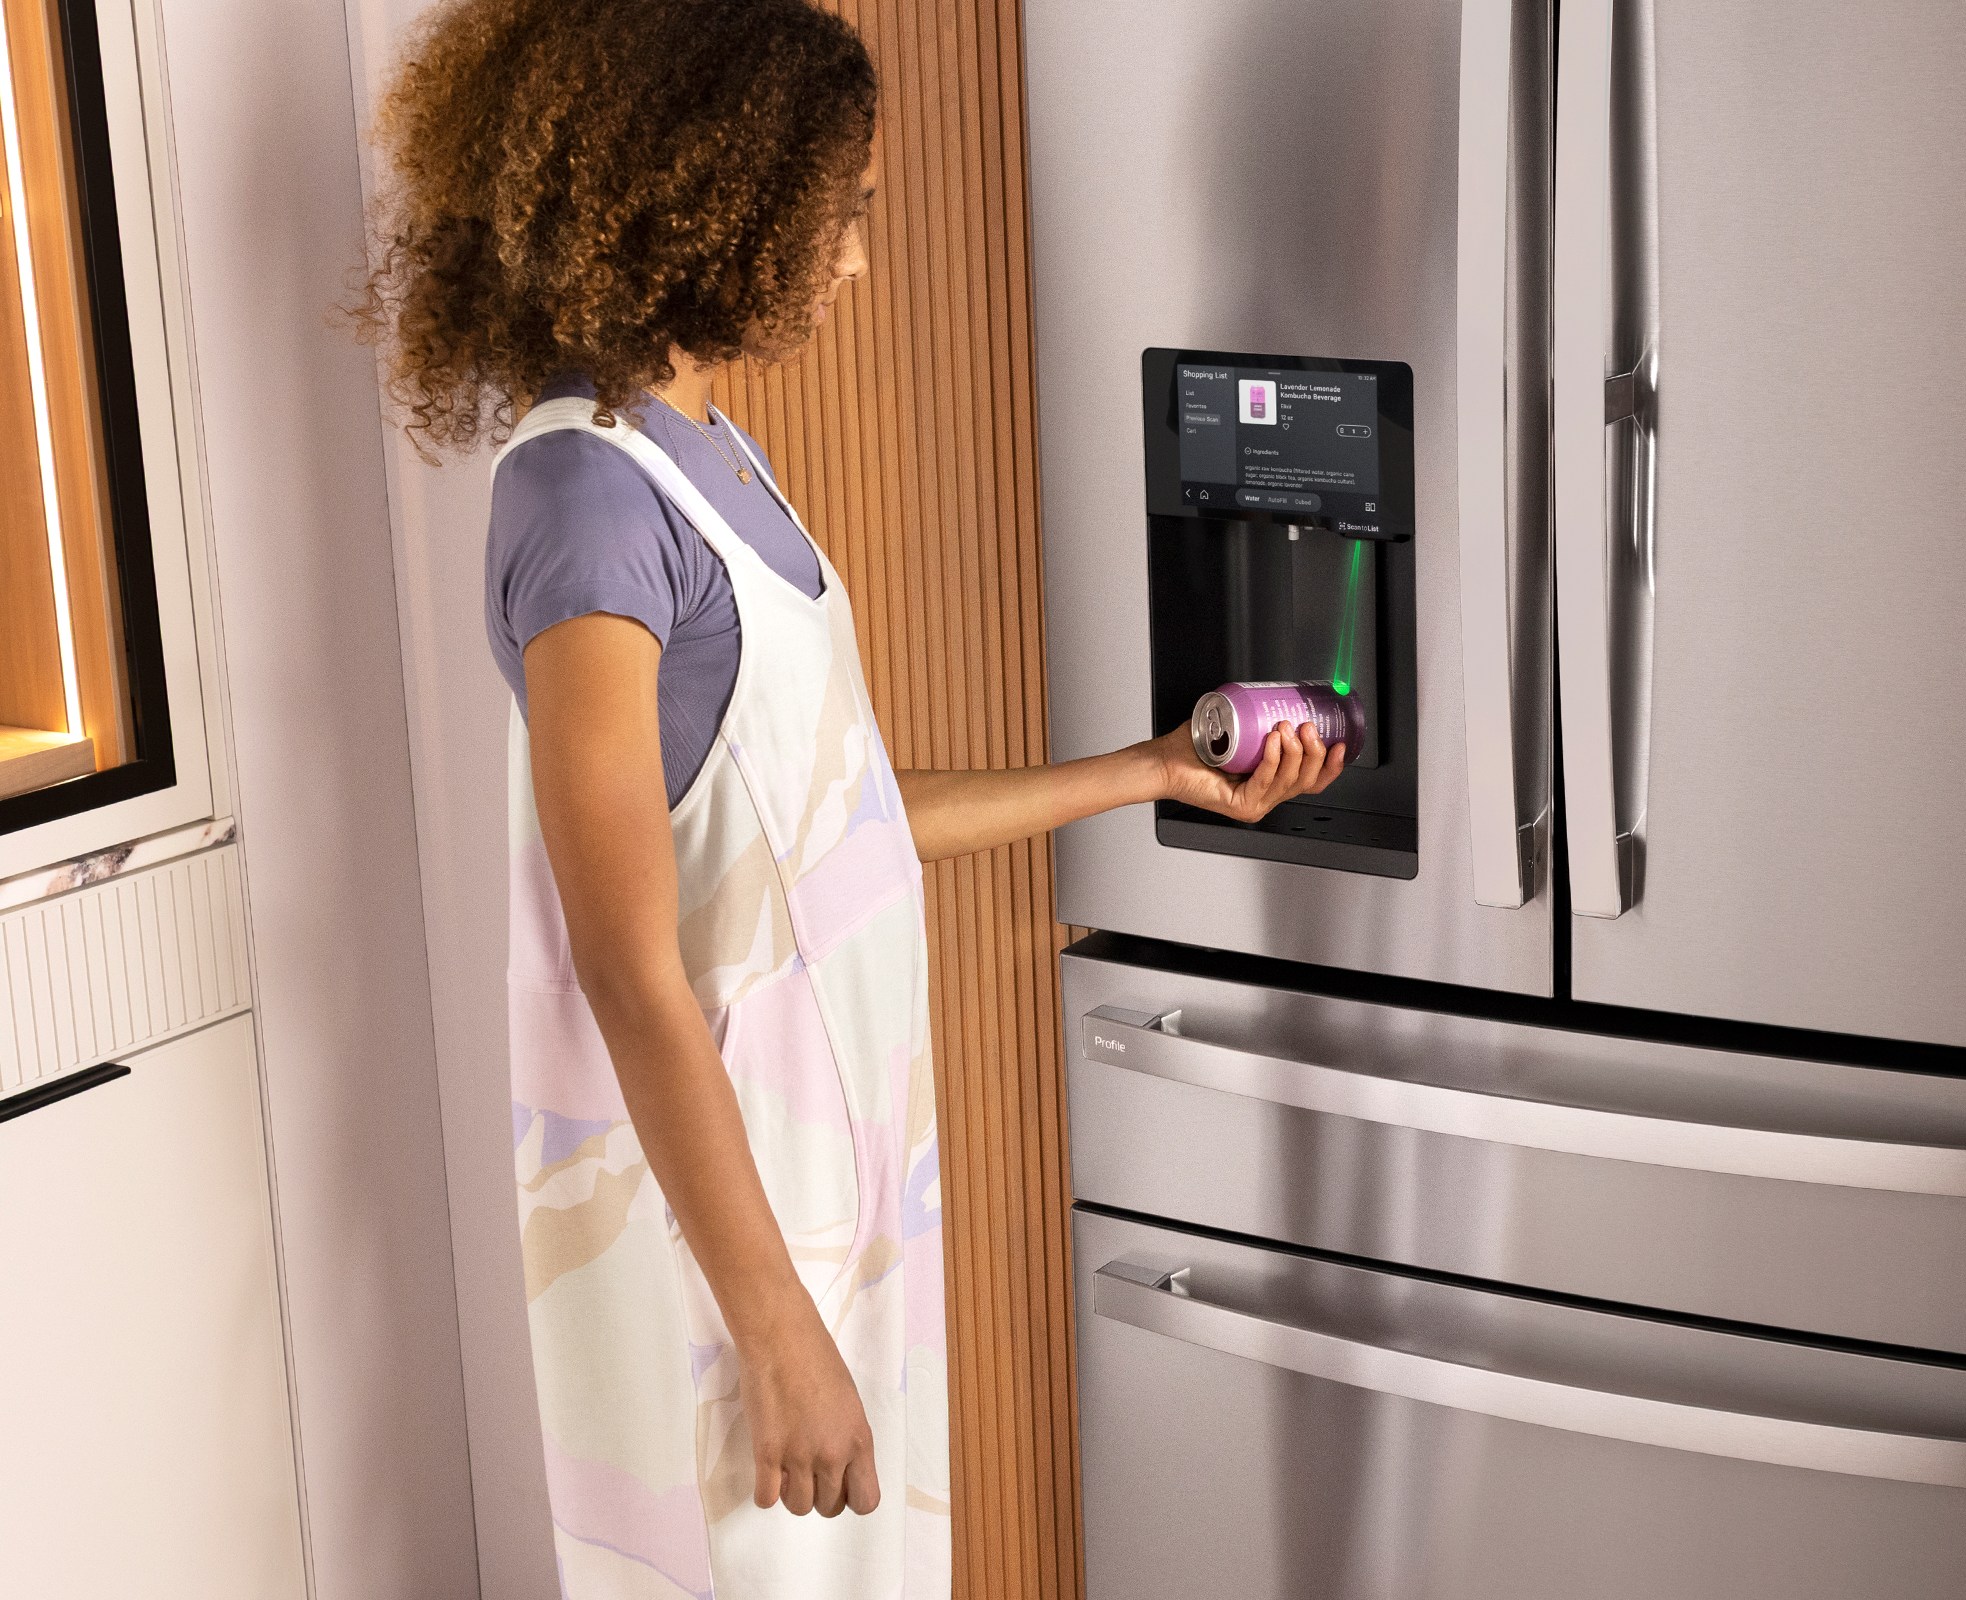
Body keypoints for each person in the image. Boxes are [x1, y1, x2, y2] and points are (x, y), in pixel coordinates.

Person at [353, 2, 1343, 1595]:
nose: (857, 258)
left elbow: (830, 824)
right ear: (714, 198)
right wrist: (776, 1326)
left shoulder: (702, 450)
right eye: (848, 213)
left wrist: (1147, 771)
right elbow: (625, 963)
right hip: (727, 1241)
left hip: (844, 1189)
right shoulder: (584, 505)